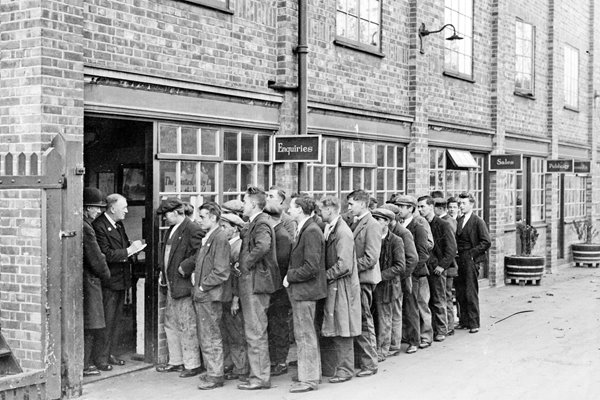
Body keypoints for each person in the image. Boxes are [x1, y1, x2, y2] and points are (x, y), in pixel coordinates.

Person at [93, 193, 144, 369]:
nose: (127, 211)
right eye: (124, 208)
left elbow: (121, 248)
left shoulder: (118, 224)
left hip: (121, 280)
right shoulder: (99, 226)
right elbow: (104, 254)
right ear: (113, 208)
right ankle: (100, 358)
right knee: (106, 321)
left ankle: (110, 354)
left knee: (116, 320)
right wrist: (128, 251)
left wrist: (132, 250)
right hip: (109, 281)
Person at [237, 187, 281, 390]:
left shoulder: (261, 222)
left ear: (253, 204)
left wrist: (246, 262)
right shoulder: (257, 222)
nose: (242, 205)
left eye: (244, 202)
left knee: (255, 332)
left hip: (255, 283)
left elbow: (263, 246)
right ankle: (258, 373)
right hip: (252, 282)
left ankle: (260, 377)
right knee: (255, 330)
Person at [155, 198, 203, 378]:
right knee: (171, 324)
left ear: (176, 212)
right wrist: (162, 271)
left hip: (183, 285)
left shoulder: (193, 229)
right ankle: (176, 361)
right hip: (171, 284)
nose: (165, 218)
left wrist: (185, 266)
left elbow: (200, 254)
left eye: (167, 214)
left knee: (187, 325)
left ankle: (192, 364)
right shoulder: (171, 229)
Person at [284, 194, 327, 393]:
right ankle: (310, 373)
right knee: (306, 334)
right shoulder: (307, 228)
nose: (288, 210)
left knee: (304, 335)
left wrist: (290, 276)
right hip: (304, 291)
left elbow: (311, 267)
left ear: (300, 209)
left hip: (305, 292)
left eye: (291, 207)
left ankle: (308, 379)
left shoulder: (310, 231)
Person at [319, 196, 361, 383]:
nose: (320, 213)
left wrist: (324, 276)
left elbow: (344, 265)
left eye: (321, 210)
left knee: (343, 327)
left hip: (341, 286)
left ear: (329, 210)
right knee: (335, 325)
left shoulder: (342, 232)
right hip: (335, 285)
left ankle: (345, 370)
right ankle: (336, 368)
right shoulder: (332, 228)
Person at [192, 202, 231, 390]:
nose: (199, 220)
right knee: (207, 334)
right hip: (206, 295)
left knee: (211, 335)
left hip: (210, 295)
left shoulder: (219, 238)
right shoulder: (211, 236)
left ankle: (215, 375)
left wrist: (201, 285)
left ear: (213, 218)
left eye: (203, 216)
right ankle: (213, 371)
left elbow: (222, 271)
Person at [346, 189, 381, 377]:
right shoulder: (357, 222)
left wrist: (348, 267)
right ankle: (364, 360)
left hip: (364, 280)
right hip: (357, 279)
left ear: (362, 203)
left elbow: (371, 258)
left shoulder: (372, 224)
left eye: (351, 204)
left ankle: (370, 364)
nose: (349, 208)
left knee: (364, 321)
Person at [380, 203, 418, 356]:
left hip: (401, 278)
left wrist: (400, 276)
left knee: (406, 310)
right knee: (396, 312)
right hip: (393, 278)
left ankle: (411, 342)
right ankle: (395, 342)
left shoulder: (403, 233)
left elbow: (412, 258)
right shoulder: (389, 231)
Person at [395, 195, 431, 354]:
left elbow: (423, 255)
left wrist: (411, 272)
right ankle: (408, 336)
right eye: (398, 207)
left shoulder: (418, 226)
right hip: (402, 272)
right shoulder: (399, 225)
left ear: (411, 208)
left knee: (412, 307)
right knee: (405, 307)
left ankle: (415, 341)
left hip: (413, 274)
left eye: (402, 207)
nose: (399, 210)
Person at [417, 196, 457, 342]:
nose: (420, 210)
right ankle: (432, 329)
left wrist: (442, 266)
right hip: (424, 268)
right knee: (426, 300)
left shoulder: (443, 224)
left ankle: (441, 330)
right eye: (419, 207)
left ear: (431, 207)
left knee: (438, 298)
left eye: (423, 207)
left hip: (437, 268)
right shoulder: (420, 224)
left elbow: (451, 249)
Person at [82, 188, 111, 377]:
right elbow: (96, 257)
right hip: (89, 281)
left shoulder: (83, 224)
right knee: (91, 324)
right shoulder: (86, 227)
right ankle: (85, 365)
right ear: (86, 208)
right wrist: (106, 274)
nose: (99, 212)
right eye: (96, 208)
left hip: (84, 280)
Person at [371, 208, 406, 362]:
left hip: (389, 285)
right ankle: (391, 346)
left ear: (386, 222)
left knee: (386, 318)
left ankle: (384, 350)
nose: (375, 223)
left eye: (378, 220)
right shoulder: (374, 238)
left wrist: (380, 276)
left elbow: (400, 266)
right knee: (384, 317)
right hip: (377, 284)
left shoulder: (396, 240)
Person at [263, 203, 293, 377]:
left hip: (279, 290)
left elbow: (280, 264)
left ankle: (280, 361)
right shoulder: (277, 233)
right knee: (274, 325)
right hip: (276, 288)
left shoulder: (280, 236)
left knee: (279, 325)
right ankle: (276, 359)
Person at [219, 213, 249, 382]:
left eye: (225, 227)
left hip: (233, 298)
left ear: (235, 228)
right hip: (225, 295)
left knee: (237, 335)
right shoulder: (228, 245)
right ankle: (232, 365)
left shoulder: (238, 247)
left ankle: (241, 369)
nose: (222, 230)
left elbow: (239, 276)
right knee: (228, 333)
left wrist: (236, 299)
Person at [455, 193, 491, 334]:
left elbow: (486, 242)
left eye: (463, 203)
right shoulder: (459, 220)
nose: (461, 206)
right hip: (459, 259)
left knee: (470, 291)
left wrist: (472, 254)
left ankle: (474, 322)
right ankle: (464, 321)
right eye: (460, 204)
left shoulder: (477, 221)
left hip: (470, 260)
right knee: (460, 291)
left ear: (471, 204)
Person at [433, 198, 458, 336]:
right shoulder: (450, 220)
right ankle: (449, 325)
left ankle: (448, 326)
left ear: (438, 208)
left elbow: (451, 248)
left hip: (447, 266)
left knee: (445, 295)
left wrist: (442, 265)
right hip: (448, 265)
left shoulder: (446, 222)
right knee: (446, 295)